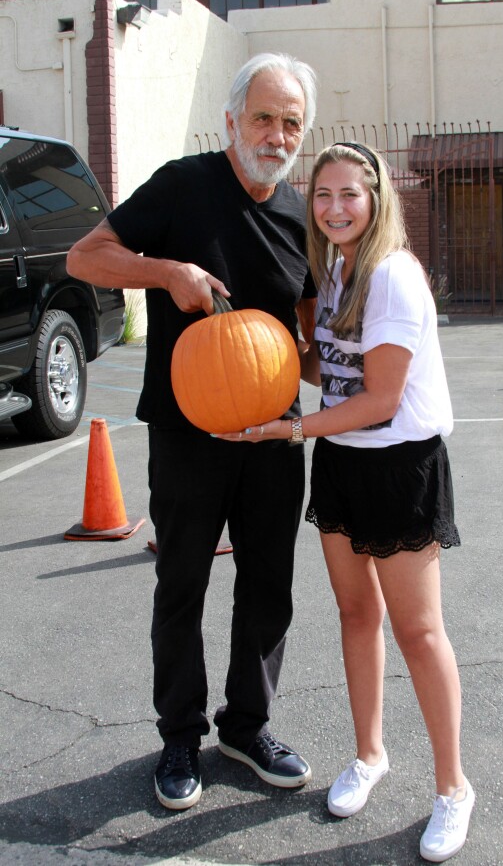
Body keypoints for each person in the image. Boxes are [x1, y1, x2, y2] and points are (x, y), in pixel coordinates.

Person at [66, 52, 318, 810]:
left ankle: (247, 725)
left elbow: (307, 331)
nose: (277, 135)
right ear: (233, 120)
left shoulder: (300, 214)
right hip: (186, 432)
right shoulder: (184, 184)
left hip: (274, 434)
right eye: (265, 118)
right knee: (184, 584)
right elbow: (88, 257)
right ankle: (180, 736)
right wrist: (166, 271)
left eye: (292, 123)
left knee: (268, 584)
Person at [216, 141, 474, 863]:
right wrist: (246, 341)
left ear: (376, 198)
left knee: (421, 634)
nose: (332, 208)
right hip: (340, 462)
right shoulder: (334, 271)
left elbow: (381, 399)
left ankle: (453, 789)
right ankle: (369, 755)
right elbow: (326, 368)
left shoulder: (391, 274)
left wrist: (286, 426)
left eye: (348, 195)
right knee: (357, 614)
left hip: (398, 466)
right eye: (321, 195)